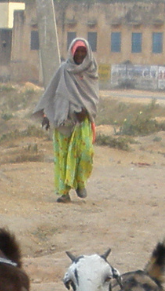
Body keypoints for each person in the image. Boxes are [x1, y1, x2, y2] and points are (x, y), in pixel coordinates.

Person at [33, 38, 99, 204]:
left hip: (82, 121)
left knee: (85, 154)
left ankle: (80, 183)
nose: (80, 54)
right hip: (63, 119)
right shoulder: (64, 70)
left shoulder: (91, 70)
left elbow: (93, 97)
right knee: (62, 157)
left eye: (83, 51)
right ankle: (64, 193)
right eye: (77, 51)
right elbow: (52, 92)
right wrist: (47, 115)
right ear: (72, 52)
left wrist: (86, 110)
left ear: (88, 53)